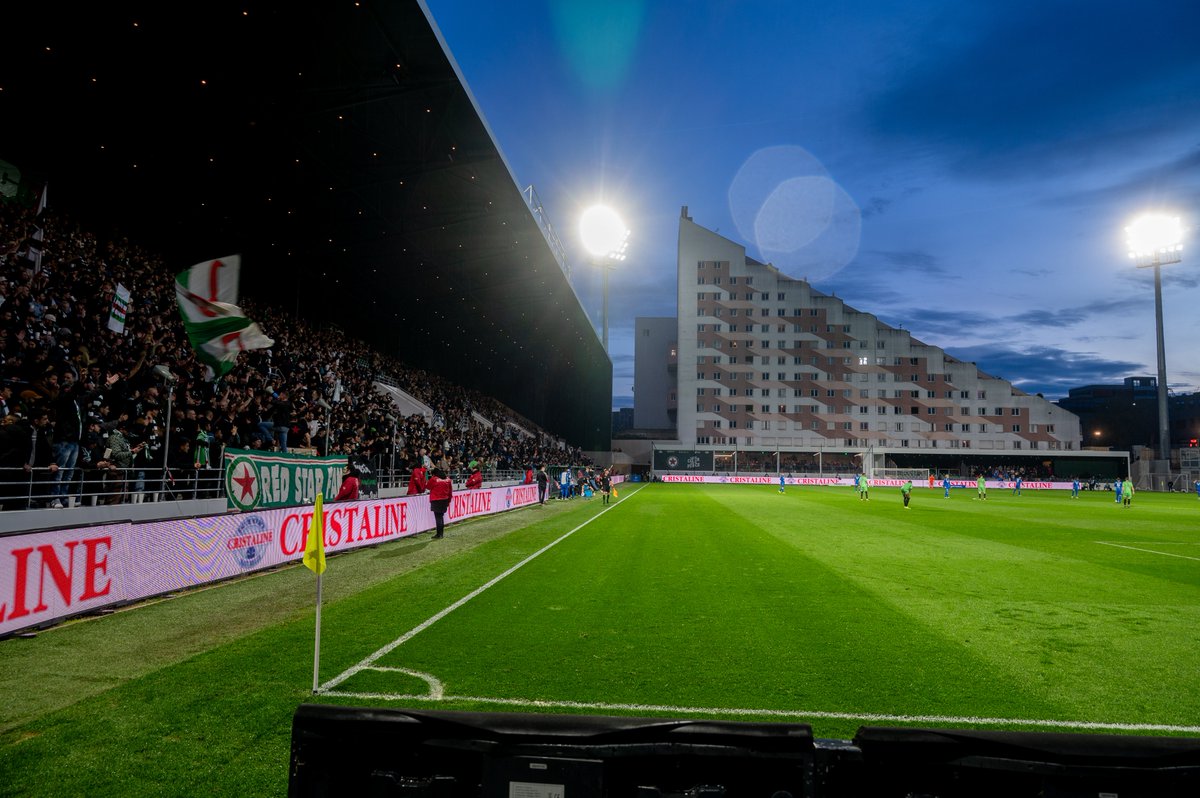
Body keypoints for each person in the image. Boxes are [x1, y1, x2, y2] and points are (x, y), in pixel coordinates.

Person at [427, 467, 452, 539]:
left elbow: (428, 487)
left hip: (436, 500)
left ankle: (439, 534)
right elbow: (450, 491)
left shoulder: (434, 479)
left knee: (438, 518)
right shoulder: (448, 480)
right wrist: (449, 500)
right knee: (441, 517)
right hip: (445, 500)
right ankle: (441, 534)